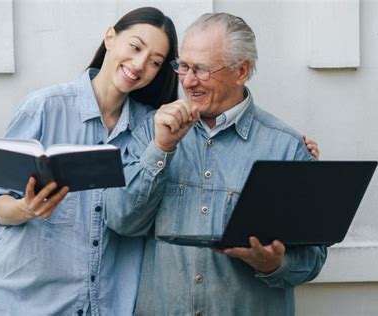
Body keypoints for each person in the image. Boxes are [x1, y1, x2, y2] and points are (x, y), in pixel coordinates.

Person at [105, 12, 327, 315]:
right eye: (182, 66)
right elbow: (120, 220)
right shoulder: (151, 131)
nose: (188, 80)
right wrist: (161, 149)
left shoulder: (286, 147)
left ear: (241, 71)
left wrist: (274, 263)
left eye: (202, 69)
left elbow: (313, 259)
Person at [0, 7, 179, 315]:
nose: (139, 65)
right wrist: (26, 209)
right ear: (110, 37)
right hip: (22, 304)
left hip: (105, 305)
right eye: (135, 47)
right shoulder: (44, 107)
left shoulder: (152, 130)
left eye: (155, 62)